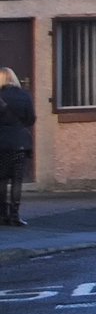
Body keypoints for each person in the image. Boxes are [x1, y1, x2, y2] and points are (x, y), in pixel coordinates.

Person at [0, 67, 31, 227]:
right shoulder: (24, 95)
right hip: (19, 143)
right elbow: (31, 118)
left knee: (2, 179)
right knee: (17, 180)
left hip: (1, 144)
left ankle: (2, 215)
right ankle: (15, 216)